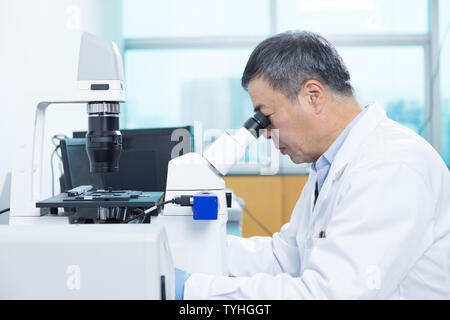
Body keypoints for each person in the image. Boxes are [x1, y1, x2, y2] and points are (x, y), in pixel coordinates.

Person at [175, 30, 450, 299]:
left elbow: (330, 294)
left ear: (313, 96)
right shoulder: (329, 165)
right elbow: (285, 258)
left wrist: (192, 290)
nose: (266, 132)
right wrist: (196, 250)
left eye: (266, 116)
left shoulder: (391, 165)